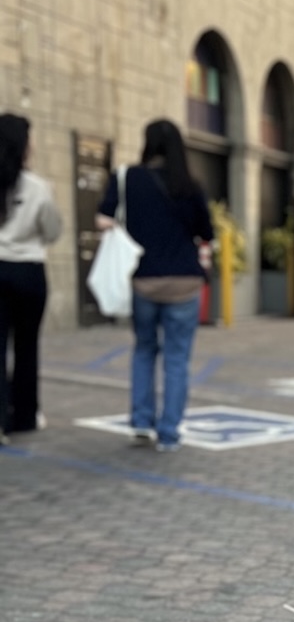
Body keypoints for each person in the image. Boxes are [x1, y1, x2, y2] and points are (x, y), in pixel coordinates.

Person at [96, 121, 213, 452]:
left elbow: (103, 220)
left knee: (144, 350)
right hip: (184, 283)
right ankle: (170, 432)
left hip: (143, 280)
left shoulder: (127, 178)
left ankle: (141, 422)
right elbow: (207, 232)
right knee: (177, 358)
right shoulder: (190, 185)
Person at [0, 115, 62, 442]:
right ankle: (24, 414)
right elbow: (52, 231)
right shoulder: (38, 187)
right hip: (28, 271)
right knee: (26, 346)